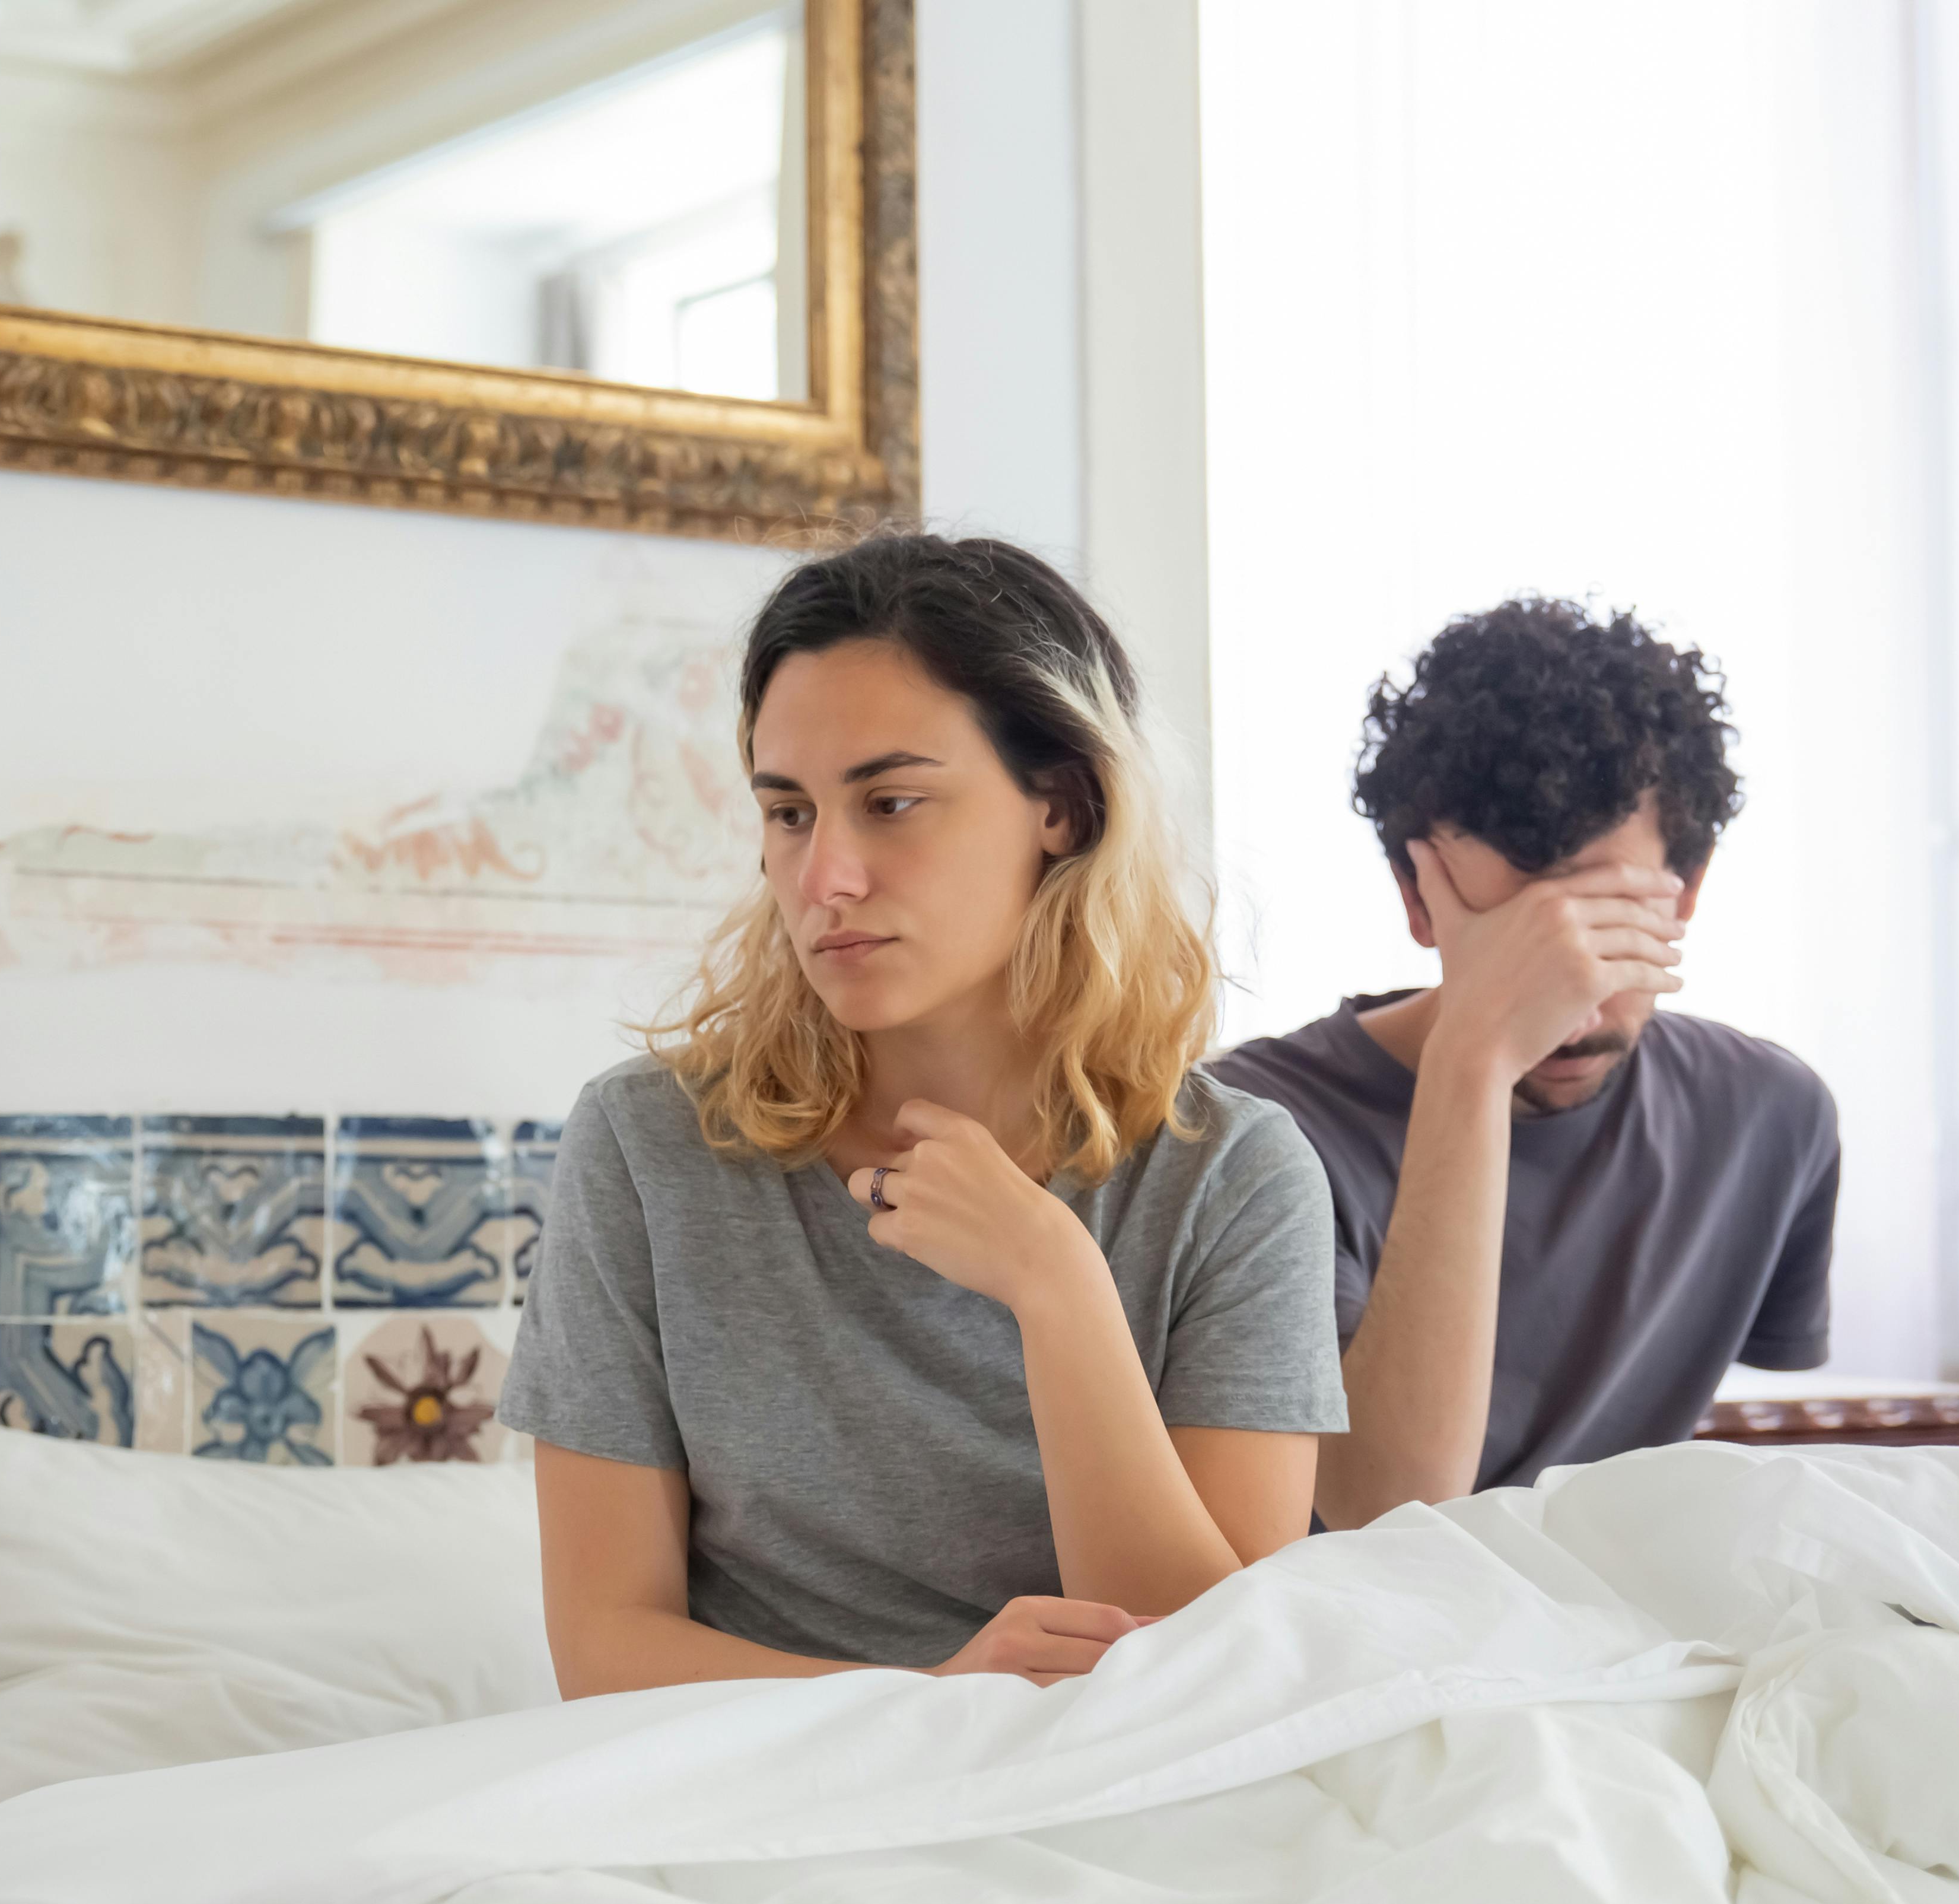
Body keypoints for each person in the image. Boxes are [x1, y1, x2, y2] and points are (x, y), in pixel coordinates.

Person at [500, 532, 1345, 1697]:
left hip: (1118, 1793)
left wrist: (1054, 1285)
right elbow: (602, 1651)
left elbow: (1216, 1673)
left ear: (1062, 803)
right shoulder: (648, 1146)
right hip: (761, 1789)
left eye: (890, 803)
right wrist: (935, 1702)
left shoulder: (1234, 1178)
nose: (824, 877)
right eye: (788, 813)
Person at [1211, 598, 1839, 1528]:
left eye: (1603, 926)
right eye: (1520, 941)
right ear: (1417, 902)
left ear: (1687, 890)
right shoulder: (1245, 1126)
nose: (1570, 1007)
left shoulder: (1769, 1115)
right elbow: (1385, 1503)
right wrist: (1472, 1057)